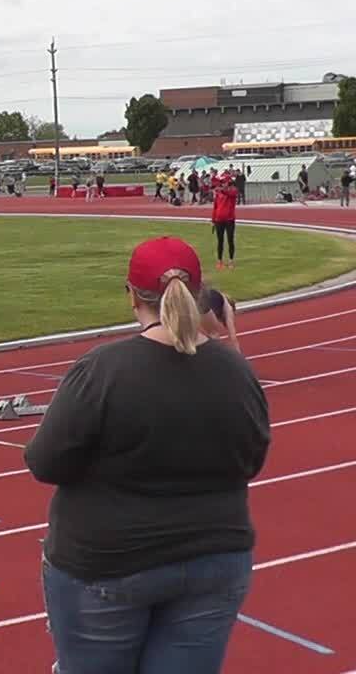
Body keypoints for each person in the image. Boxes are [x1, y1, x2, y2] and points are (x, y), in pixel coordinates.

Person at [25, 236, 270, 674]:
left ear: (131, 295)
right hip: (214, 556)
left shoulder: (102, 370)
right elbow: (252, 460)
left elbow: (45, 462)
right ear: (200, 294)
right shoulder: (236, 370)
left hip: (108, 563)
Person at [212, 173, 237, 270]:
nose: (222, 184)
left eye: (224, 182)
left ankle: (231, 260)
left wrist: (222, 190)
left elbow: (230, 194)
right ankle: (220, 261)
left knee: (230, 240)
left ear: (228, 182)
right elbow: (215, 207)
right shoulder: (218, 194)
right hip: (219, 220)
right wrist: (213, 219)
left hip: (230, 220)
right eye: (221, 182)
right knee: (220, 241)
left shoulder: (233, 190)